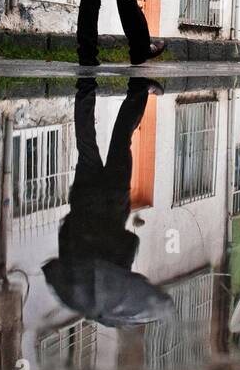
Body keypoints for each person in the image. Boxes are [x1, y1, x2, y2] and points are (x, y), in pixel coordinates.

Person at [42, 77, 173, 327]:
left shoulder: (115, 278)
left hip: (114, 198)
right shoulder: (75, 275)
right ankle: (86, 86)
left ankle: (138, 89)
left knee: (122, 139)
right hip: (84, 197)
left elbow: (130, 240)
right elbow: (66, 228)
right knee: (86, 143)